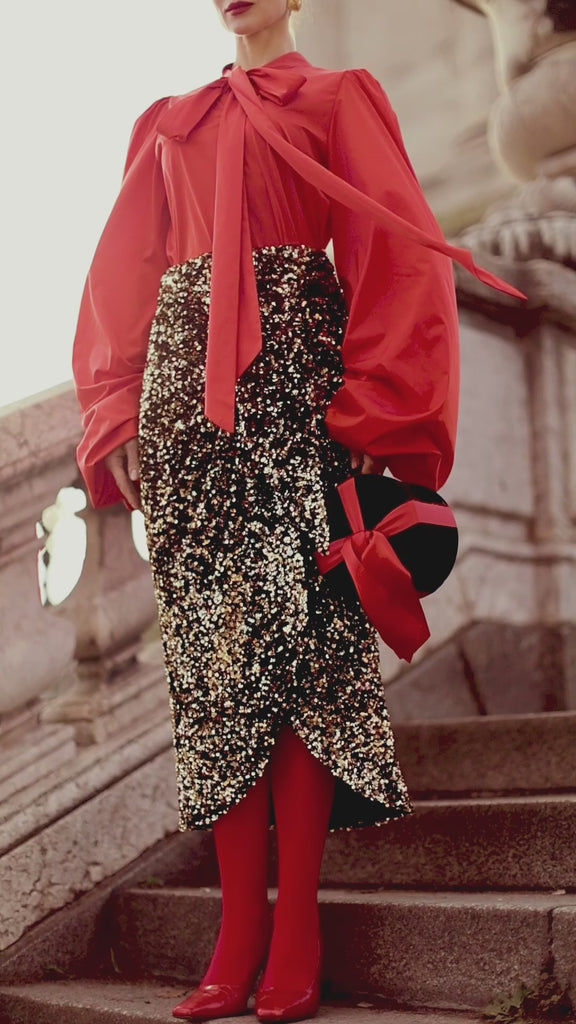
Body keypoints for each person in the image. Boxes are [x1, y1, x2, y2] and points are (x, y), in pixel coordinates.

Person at [71, 1, 524, 1020]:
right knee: (216, 666)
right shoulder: (166, 122)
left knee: (306, 655)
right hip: (184, 413)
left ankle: (297, 931)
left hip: (300, 398)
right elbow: (121, 277)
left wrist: (378, 408)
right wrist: (116, 409)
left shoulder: (338, 97)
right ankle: (236, 935)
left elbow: (394, 253)